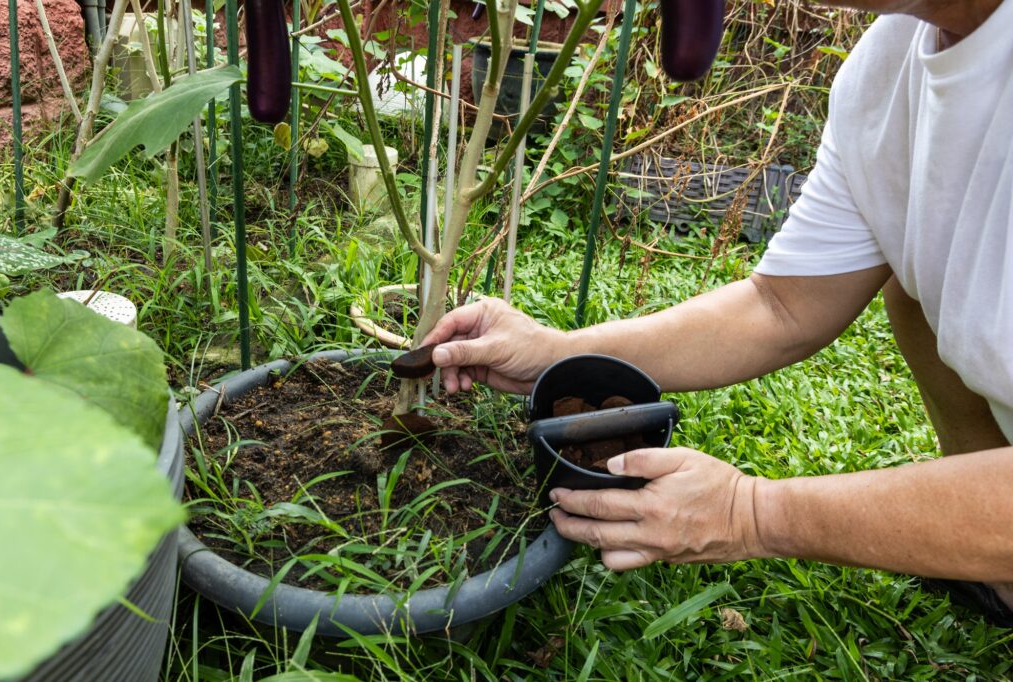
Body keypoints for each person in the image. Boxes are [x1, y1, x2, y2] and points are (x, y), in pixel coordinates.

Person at [419, 0, 1013, 626]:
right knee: (911, 284)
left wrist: (752, 513)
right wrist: (560, 354)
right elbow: (782, 304)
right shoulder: (886, 68)